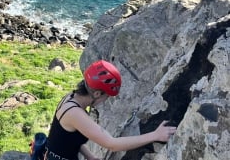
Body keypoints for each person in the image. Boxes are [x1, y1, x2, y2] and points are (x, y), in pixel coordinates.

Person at [45, 60, 176, 160]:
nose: (105, 101)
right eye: (106, 96)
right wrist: (155, 135)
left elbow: (68, 139)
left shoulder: (71, 98)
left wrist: (90, 157)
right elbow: (112, 144)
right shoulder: (74, 113)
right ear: (97, 94)